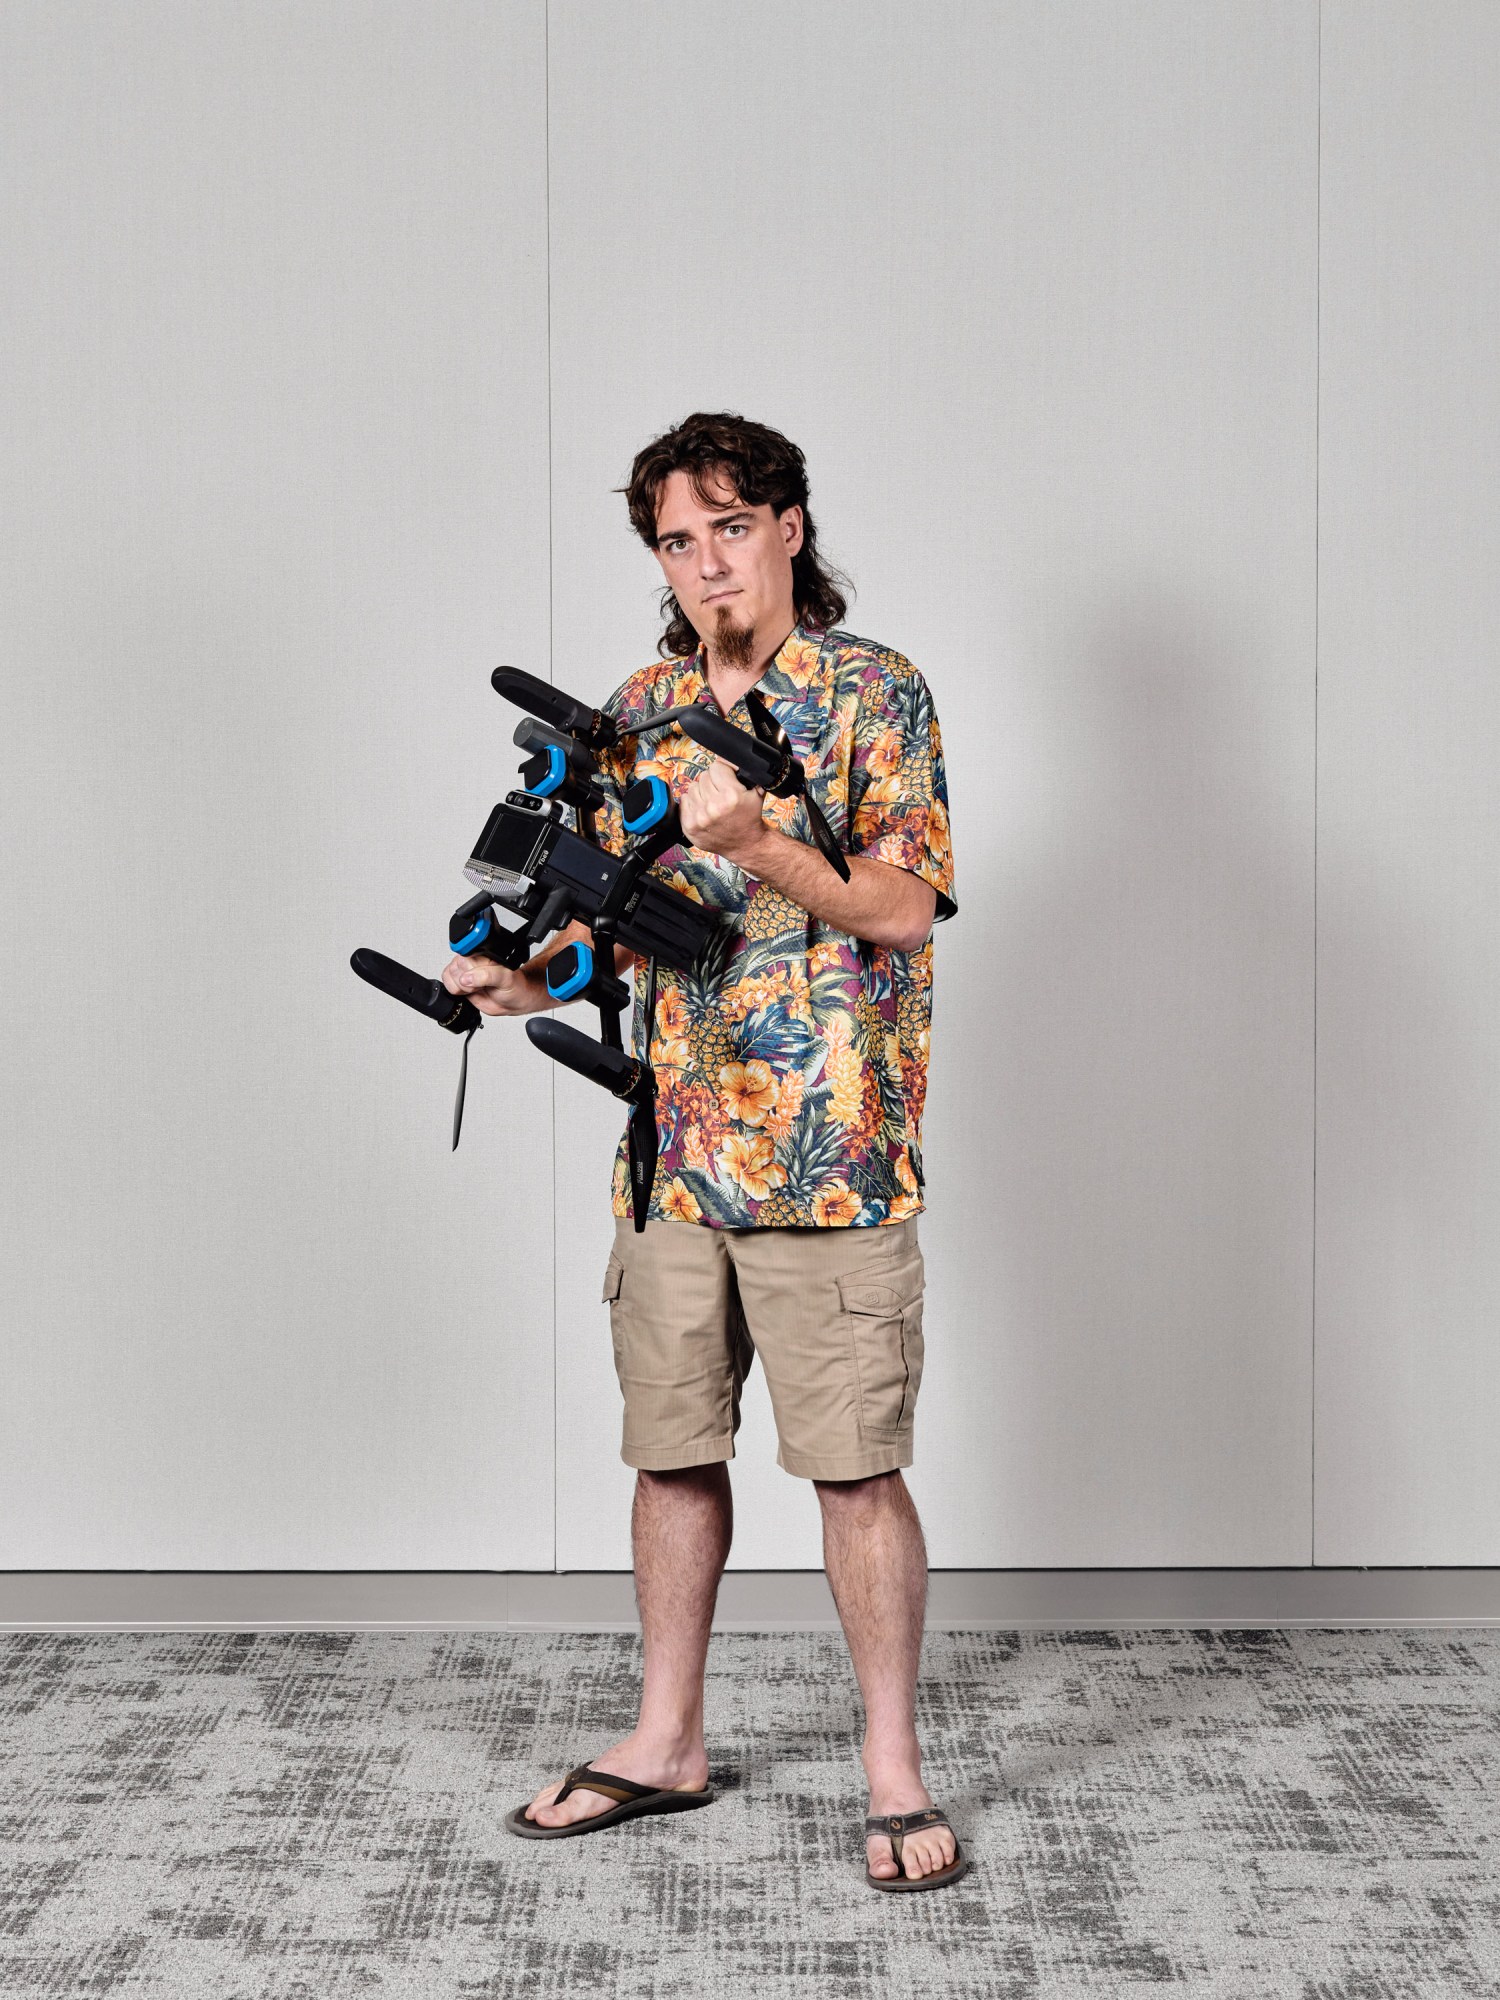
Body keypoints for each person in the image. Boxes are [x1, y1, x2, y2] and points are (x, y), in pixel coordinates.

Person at [445, 412, 964, 1891]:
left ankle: (892, 1772)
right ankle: (666, 1738)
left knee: (853, 1472)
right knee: (672, 1458)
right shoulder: (638, 706)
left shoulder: (876, 695)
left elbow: (903, 908)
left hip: (829, 1154)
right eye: (677, 539)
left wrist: (761, 841)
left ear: (792, 526)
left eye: (730, 526)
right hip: (671, 1153)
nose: (706, 562)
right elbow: (605, 921)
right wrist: (522, 980)